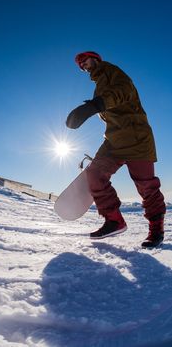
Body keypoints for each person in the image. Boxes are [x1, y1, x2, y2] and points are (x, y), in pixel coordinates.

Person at [66, 51, 166, 248]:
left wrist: (96, 105)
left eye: (84, 61)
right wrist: (91, 107)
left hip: (136, 136)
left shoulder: (111, 71)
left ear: (94, 58)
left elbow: (124, 91)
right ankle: (114, 220)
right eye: (81, 66)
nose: (84, 66)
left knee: (146, 186)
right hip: (113, 140)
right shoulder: (98, 86)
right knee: (93, 174)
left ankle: (156, 230)